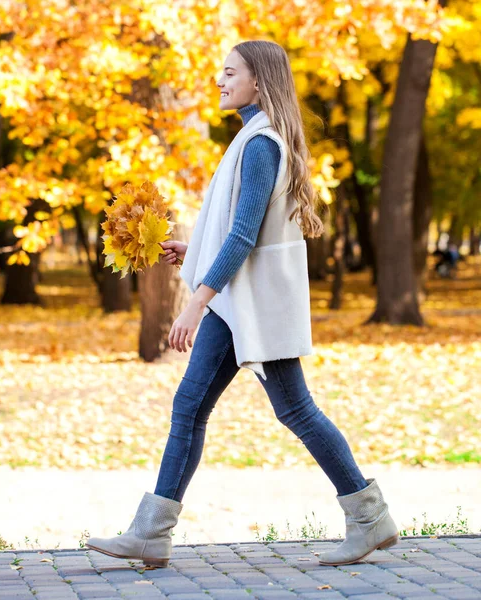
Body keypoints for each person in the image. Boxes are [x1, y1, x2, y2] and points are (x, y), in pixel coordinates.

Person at [87, 40, 398, 569]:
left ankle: (370, 519)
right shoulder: (256, 138)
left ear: (260, 81)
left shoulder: (260, 145)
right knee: (194, 407)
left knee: (291, 408)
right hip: (242, 302)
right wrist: (196, 250)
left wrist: (193, 303)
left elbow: (242, 240)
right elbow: (238, 232)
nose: (218, 79)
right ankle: (151, 533)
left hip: (249, 304)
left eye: (229, 72)